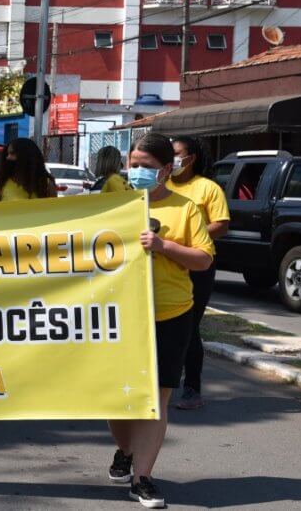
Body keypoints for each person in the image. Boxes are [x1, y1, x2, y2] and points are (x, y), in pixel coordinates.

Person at [105, 133, 214, 509]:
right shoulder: (114, 205)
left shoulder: (187, 209)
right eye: (133, 164)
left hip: (171, 314)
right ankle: (126, 451)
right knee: (116, 399)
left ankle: (143, 479)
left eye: (146, 167)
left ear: (166, 170)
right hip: (119, 316)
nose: (136, 172)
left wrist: (163, 246)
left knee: (158, 398)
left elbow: (203, 259)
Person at [167, 136, 229, 411]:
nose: (172, 159)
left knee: (189, 327)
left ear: (190, 158)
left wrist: (190, 238)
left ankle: (192, 388)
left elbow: (222, 225)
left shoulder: (208, 188)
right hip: (163, 264)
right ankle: (163, 383)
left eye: (176, 154)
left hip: (196, 265)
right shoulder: (161, 185)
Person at [0, 138, 56, 202]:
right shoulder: (2, 180)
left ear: (26, 156)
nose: (8, 158)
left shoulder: (46, 184)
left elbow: (52, 210)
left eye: (12, 154)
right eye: (7, 154)